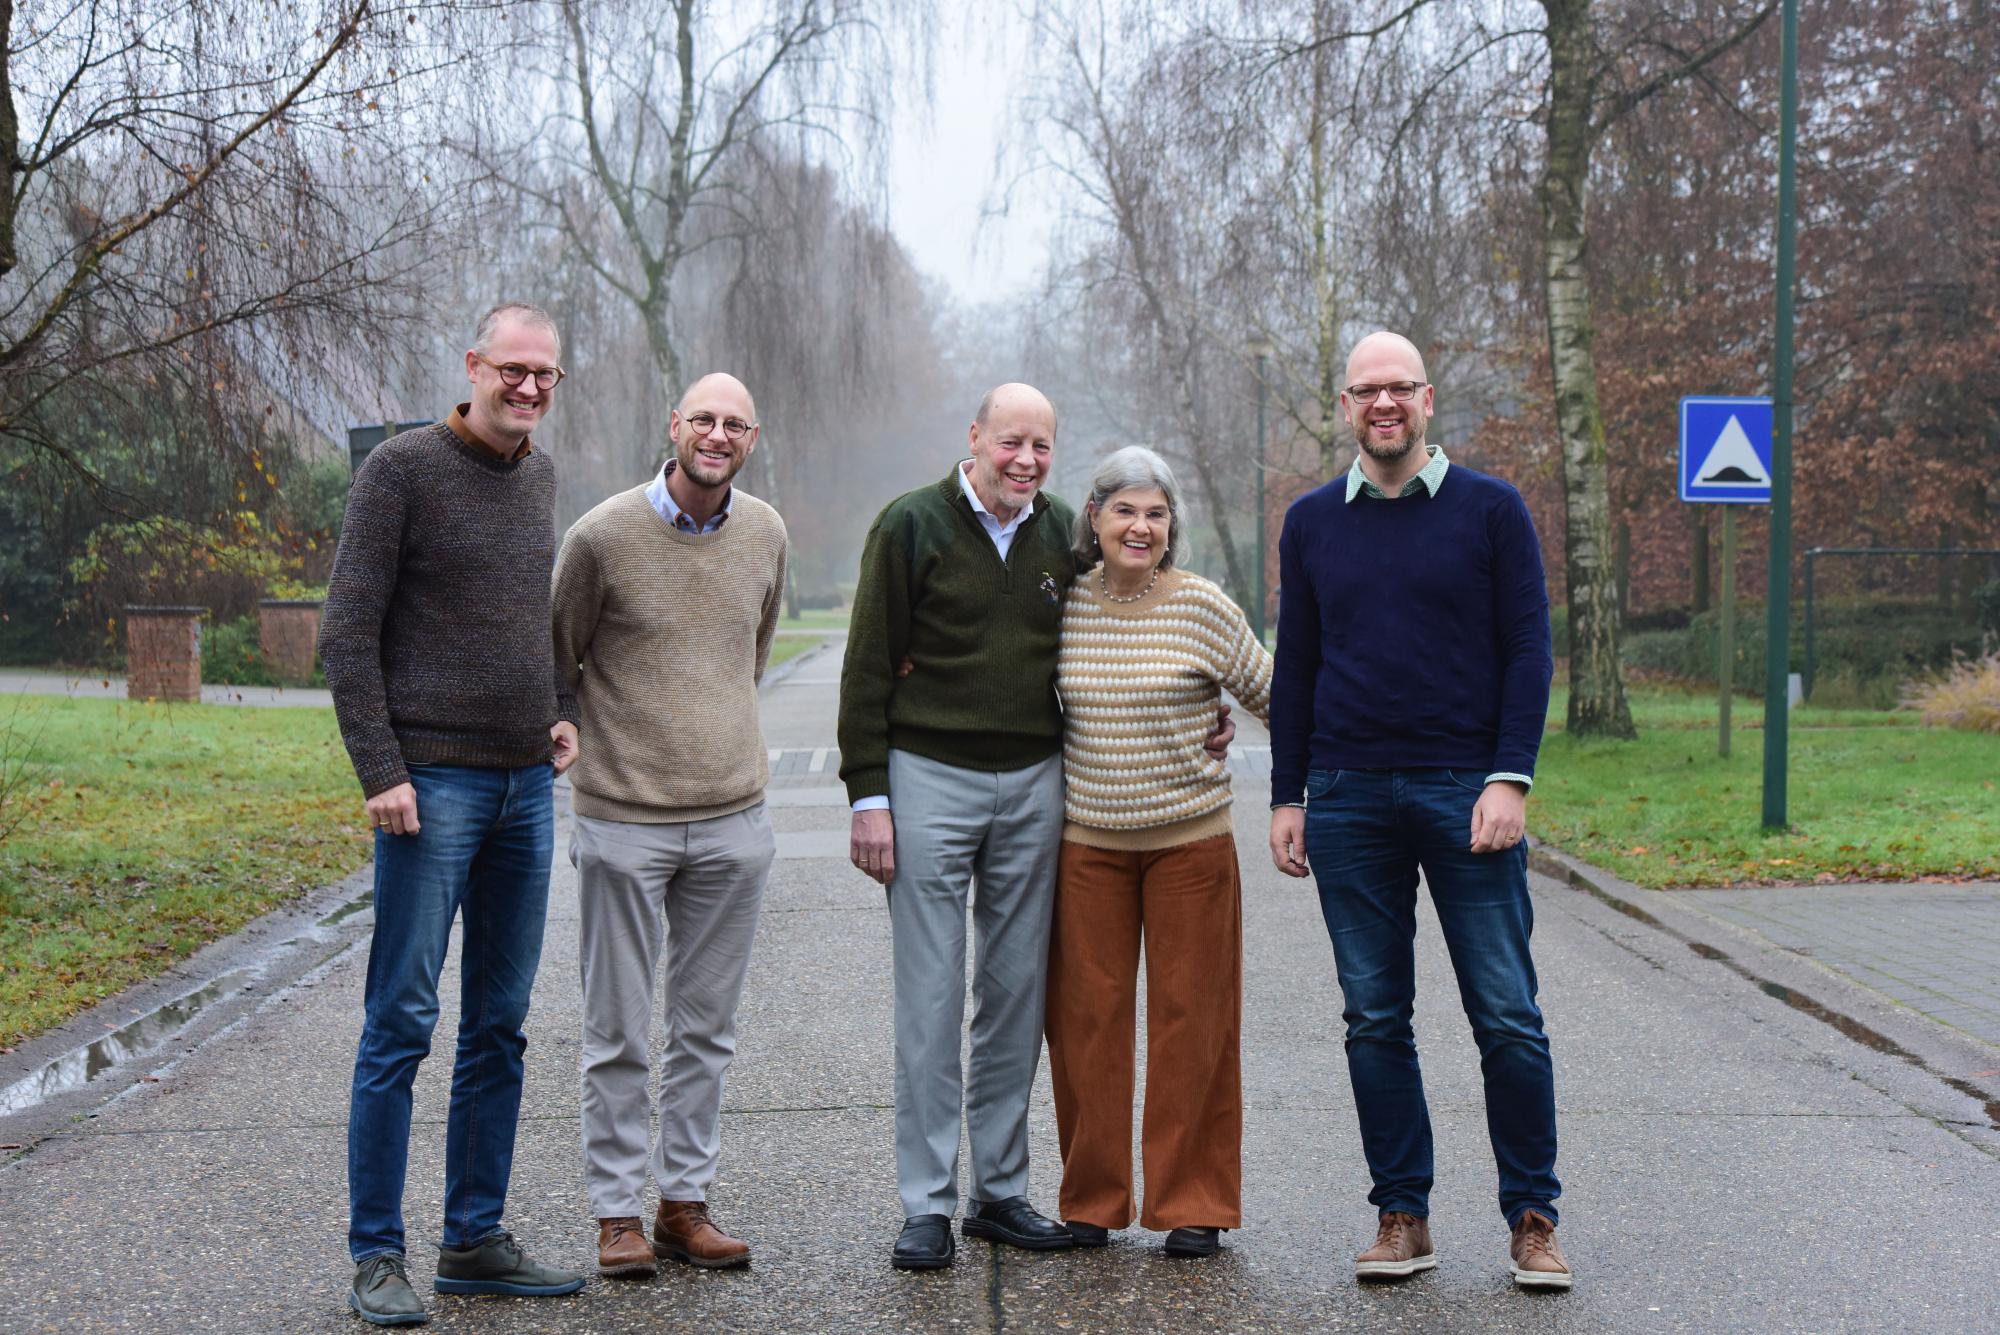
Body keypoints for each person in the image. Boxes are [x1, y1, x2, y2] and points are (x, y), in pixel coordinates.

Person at [1266, 331, 1569, 1290]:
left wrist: (1508, 777)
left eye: (1400, 388)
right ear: (1345, 405)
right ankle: (1403, 1215)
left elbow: (1528, 649)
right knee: (1373, 1018)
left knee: (1508, 1015)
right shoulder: (1312, 521)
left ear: (1427, 399)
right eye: (1366, 390)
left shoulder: (1491, 510)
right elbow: (1298, 667)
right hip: (1350, 798)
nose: (1383, 404)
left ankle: (1533, 1216)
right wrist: (1288, 795)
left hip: (1462, 791)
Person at [319, 303, 586, 1326]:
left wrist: (558, 713)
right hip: (430, 790)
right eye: (512, 368)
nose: (528, 387)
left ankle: (473, 1238)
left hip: (525, 789)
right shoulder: (401, 472)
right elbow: (347, 632)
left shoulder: (540, 478)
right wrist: (380, 769)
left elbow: (533, 622)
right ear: (471, 365)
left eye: (545, 373)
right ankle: (375, 1257)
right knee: (400, 1022)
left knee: (501, 1026)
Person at [550, 372, 787, 1279]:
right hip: (623, 818)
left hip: (734, 820)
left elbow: (748, 654)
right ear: (674, 425)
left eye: (735, 423)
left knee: (706, 1028)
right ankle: (617, 1214)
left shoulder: (764, 531)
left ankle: (684, 1202)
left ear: (751, 437)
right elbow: (557, 652)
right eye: (704, 420)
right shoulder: (602, 535)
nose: (717, 435)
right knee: (618, 1030)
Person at [837, 383, 1080, 1270]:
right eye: (1011, 441)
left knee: (1014, 996)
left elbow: (1124, 618)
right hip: (929, 776)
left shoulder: (1064, 533)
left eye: (1042, 446)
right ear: (975, 437)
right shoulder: (910, 525)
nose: (1026, 460)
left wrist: (1201, 700)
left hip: (1033, 781)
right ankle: (927, 1202)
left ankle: (1000, 1192)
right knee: (933, 1000)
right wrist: (869, 793)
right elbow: (867, 663)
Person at [1044, 446, 1273, 1260]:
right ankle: (1093, 1199)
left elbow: (1276, 694)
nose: (1140, 527)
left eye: (1156, 513)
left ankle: (1193, 1200)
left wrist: (1250, 736)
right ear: (1095, 521)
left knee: (1194, 1021)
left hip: (1190, 846)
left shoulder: (1202, 605)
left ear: (1172, 526)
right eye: (1125, 511)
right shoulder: (1064, 605)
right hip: (1086, 845)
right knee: (1086, 1025)